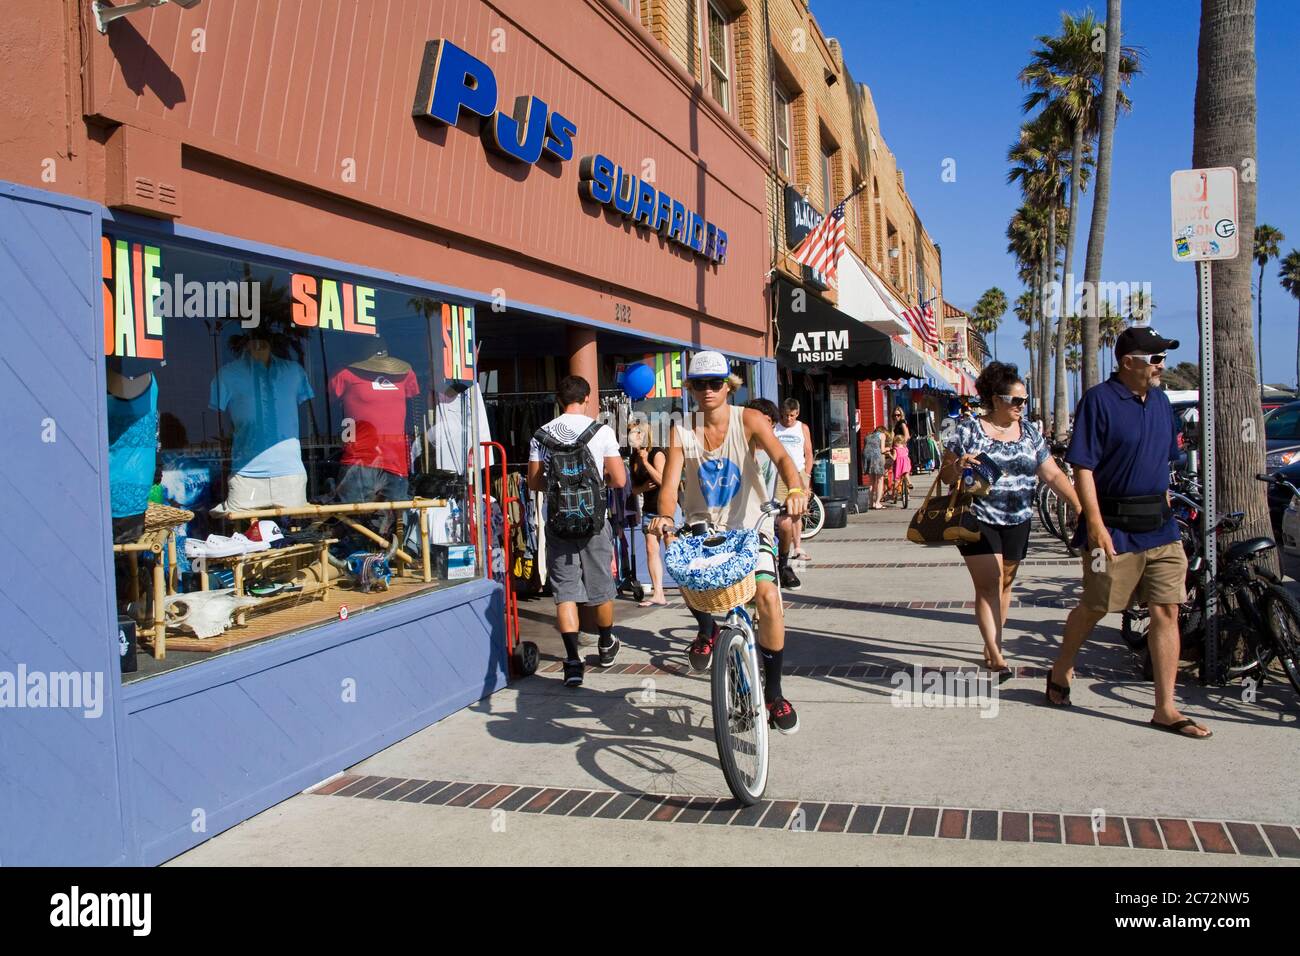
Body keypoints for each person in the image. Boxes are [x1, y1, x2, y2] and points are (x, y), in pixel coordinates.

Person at [1046, 328, 1211, 738]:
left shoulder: (1159, 402)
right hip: (1114, 529)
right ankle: (1062, 666)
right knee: (1096, 606)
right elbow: (1083, 467)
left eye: (1162, 358)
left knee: (1167, 610)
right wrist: (1096, 525)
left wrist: (1172, 512)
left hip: (1160, 528)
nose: (1160, 366)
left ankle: (1165, 707)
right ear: (1127, 362)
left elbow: (1166, 463)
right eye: (1153, 358)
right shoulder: (1099, 401)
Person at [651, 352, 807, 733]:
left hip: (752, 526)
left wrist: (797, 488)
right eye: (699, 384)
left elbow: (784, 459)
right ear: (689, 388)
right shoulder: (681, 431)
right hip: (705, 529)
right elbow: (670, 485)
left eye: (715, 383)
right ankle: (708, 631)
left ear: (728, 385)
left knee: (767, 598)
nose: (707, 390)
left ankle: (773, 693)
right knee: (685, 574)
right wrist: (666, 517)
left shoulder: (749, 420)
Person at [941, 362, 1080, 672]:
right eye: (1016, 400)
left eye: (1025, 400)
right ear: (995, 398)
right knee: (990, 584)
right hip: (977, 516)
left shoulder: (1029, 431)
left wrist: (1077, 504)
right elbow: (946, 476)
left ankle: (994, 643)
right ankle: (995, 653)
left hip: (1018, 517)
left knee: (1005, 585)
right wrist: (959, 465)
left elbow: (1052, 474)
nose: (1022, 406)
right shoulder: (967, 430)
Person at [527, 375, 626, 688]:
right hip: (594, 521)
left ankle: (572, 662)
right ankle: (606, 644)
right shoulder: (602, 431)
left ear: (559, 400)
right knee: (601, 587)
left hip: (559, 522)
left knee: (565, 592)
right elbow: (620, 479)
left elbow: (534, 482)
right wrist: (596, 486)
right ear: (587, 398)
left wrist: (561, 489)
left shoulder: (541, 434)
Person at [747, 398, 800, 590]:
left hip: (768, 508)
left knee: (786, 523)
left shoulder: (774, 448)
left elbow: (788, 467)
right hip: (742, 512)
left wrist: (798, 492)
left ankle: (784, 565)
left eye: (768, 423)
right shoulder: (742, 446)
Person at [628, 419, 668, 607]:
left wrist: (646, 461)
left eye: (634, 432)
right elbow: (634, 490)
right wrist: (643, 486)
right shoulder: (632, 458)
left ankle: (688, 590)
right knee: (651, 550)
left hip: (665, 509)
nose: (630, 437)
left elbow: (663, 480)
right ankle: (658, 592)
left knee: (673, 550)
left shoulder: (657, 452)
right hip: (649, 510)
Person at [774, 398, 814, 560]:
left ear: (797, 413)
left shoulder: (802, 428)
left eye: (791, 415)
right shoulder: (775, 428)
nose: (788, 419)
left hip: (798, 472)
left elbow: (809, 453)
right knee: (779, 511)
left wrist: (807, 475)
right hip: (779, 473)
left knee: (797, 512)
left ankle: (797, 548)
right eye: (785, 416)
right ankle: (777, 547)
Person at [861, 425, 888, 509]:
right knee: (880, 479)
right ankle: (877, 503)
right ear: (883, 431)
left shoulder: (868, 435)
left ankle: (871, 503)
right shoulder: (882, 435)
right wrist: (888, 449)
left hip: (866, 457)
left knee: (871, 481)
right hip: (876, 457)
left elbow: (866, 448)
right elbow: (882, 450)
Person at [889, 434, 912, 499]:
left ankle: (895, 495)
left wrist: (889, 454)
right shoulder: (905, 448)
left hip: (899, 465)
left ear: (896, 442)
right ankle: (909, 489)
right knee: (906, 474)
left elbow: (894, 458)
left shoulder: (895, 449)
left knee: (897, 480)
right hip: (906, 463)